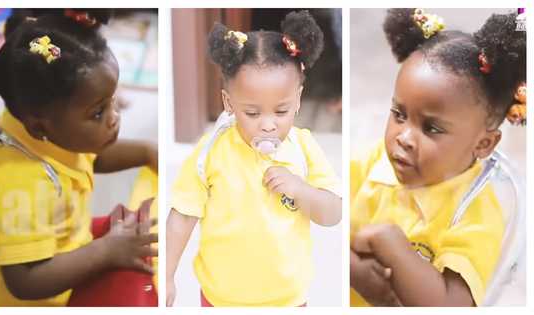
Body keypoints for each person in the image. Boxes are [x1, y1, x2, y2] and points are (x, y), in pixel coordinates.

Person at [350, 8, 526, 306]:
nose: (404, 137)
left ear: (483, 144)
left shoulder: (476, 210)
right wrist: (355, 271)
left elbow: (451, 305)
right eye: (398, 114)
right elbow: (319, 231)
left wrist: (391, 244)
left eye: (431, 128)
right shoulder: (372, 163)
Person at [0, 9, 158, 306]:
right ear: (40, 125)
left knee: (146, 230)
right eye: (98, 112)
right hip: (49, 296)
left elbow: (88, 157)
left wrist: (147, 152)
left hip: (70, 239)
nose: (114, 118)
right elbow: (25, 281)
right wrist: (107, 251)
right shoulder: (19, 182)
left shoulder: (42, 126)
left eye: (112, 100)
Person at [166, 10, 342, 307]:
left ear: (298, 99)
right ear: (228, 103)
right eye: (252, 113)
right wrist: (167, 275)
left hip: (287, 299)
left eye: (281, 111)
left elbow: (332, 213)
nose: (268, 124)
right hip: (221, 298)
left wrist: (301, 190)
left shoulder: (303, 148)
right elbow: (182, 216)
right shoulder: (211, 153)